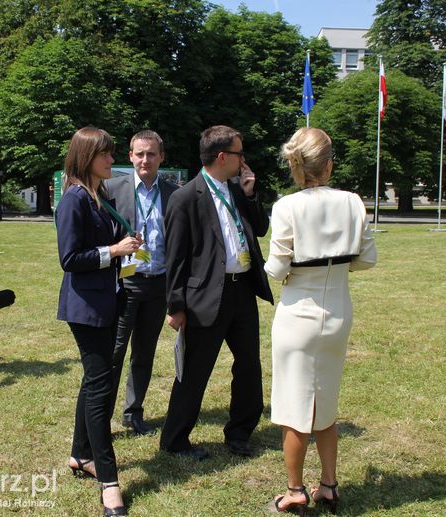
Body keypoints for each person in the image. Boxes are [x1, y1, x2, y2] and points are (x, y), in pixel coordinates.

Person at [265, 128, 376, 514]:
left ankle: (295, 489)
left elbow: (277, 270)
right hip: (338, 311)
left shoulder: (286, 207)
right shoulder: (352, 202)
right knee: (325, 403)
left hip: (298, 312)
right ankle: (328, 484)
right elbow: (367, 259)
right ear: (328, 163)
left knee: (294, 407)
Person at [159, 125, 273, 460]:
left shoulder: (238, 189)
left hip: (242, 292)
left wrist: (251, 195)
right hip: (205, 298)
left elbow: (262, 228)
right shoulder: (184, 198)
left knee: (249, 366)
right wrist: (176, 306)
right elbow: (175, 258)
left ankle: (239, 434)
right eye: (239, 153)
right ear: (222, 156)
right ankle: (175, 439)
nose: (244, 160)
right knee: (194, 371)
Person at [57, 127, 142, 517]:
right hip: (86, 309)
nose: (112, 160)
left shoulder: (99, 195)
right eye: (106, 155)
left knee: (95, 380)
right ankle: (109, 481)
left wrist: (125, 249)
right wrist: (114, 250)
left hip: (108, 300)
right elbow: (70, 259)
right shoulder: (74, 199)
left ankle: (80, 455)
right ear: (87, 157)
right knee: (100, 387)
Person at [106, 130, 178, 436]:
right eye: (139, 154)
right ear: (130, 156)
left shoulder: (174, 192)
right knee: (114, 352)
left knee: (144, 352)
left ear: (161, 157)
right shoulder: (111, 187)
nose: (145, 160)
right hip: (125, 283)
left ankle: (133, 413)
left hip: (158, 284)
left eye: (151, 154)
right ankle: (101, 417)